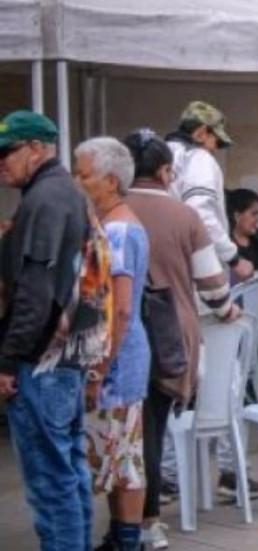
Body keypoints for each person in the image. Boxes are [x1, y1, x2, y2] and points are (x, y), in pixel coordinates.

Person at [123, 129, 240, 550]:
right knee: (151, 429)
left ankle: (124, 518)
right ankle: (149, 519)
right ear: (166, 170)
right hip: (171, 334)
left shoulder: (108, 210)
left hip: (116, 334)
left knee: (124, 431)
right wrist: (227, 310)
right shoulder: (183, 216)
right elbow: (212, 282)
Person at [0, 110, 100, 551]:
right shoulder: (63, 194)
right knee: (68, 470)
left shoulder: (46, 199)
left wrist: (8, 358)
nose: (2, 163)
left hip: (42, 359)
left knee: (50, 480)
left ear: (37, 149)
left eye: (8, 152)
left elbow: (36, 290)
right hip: (65, 356)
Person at [73, 137, 152, 551]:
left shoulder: (118, 231)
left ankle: (124, 538)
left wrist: (98, 368)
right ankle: (124, 536)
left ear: (109, 180)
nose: (78, 182)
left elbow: (118, 309)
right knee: (123, 453)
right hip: (125, 355)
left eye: (84, 175)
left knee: (117, 453)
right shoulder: (121, 225)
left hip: (116, 359)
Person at [166, 100, 253, 282]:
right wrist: (233, 258)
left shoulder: (160, 157)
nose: (215, 150)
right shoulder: (199, 158)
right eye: (216, 141)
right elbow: (200, 214)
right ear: (201, 133)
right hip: (195, 270)